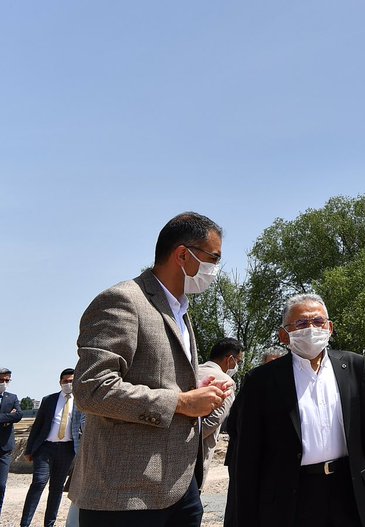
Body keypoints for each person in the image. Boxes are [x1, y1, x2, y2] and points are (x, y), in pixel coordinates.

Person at [72, 211, 232, 527]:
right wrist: (182, 403)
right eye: (213, 259)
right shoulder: (123, 300)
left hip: (179, 490)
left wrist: (202, 399)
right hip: (125, 497)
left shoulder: (180, 312)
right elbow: (92, 388)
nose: (216, 271)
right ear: (183, 255)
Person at [231, 293, 365, 527]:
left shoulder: (354, 366)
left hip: (349, 490)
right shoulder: (262, 381)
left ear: (330, 328)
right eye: (301, 323)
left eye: (318, 322)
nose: (311, 329)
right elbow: (248, 454)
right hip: (292, 495)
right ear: (284, 334)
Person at [19, 368, 80, 527]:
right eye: (65, 381)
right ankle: (25, 523)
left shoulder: (80, 403)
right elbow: (37, 425)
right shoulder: (49, 400)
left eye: (71, 381)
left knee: (57, 488)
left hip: (66, 450)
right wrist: (29, 449)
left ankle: (49, 523)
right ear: (60, 383)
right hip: (45, 449)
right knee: (38, 483)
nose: (68, 384)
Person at [196, 338, 243, 478]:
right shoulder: (226, 381)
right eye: (238, 362)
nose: (237, 366)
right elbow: (215, 419)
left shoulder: (193, 370)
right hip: (199, 450)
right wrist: (192, 440)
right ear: (230, 359)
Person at [0, 366, 21, 514]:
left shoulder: (12, 397)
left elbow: (18, 415)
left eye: (7, 380)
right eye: (1, 380)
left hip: (4, 449)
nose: (4, 382)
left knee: (1, 485)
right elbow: (12, 416)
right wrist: (7, 418)